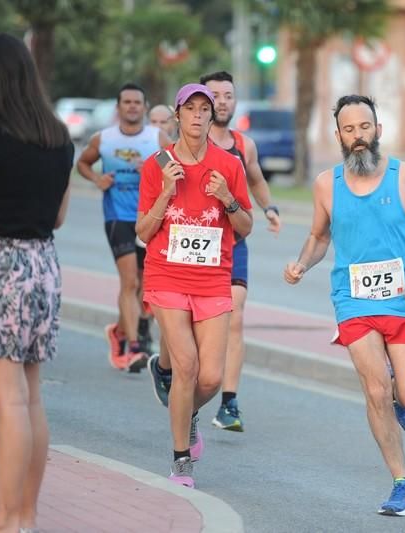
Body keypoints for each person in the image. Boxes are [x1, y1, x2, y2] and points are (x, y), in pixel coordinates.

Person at [283, 95, 405, 516]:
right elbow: (320, 237)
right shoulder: (326, 184)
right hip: (352, 300)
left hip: (403, 300)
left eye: (364, 127)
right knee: (375, 389)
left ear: (378, 130)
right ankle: (401, 483)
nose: (358, 137)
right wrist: (302, 263)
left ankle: (402, 400)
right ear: (338, 135)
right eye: (349, 130)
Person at [147, 71, 281, 434]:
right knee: (183, 348)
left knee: (232, 322)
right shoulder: (164, 158)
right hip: (174, 263)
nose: (220, 103)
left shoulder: (241, 148)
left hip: (227, 249)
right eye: (212, 98)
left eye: (225, 97)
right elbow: (145, 227)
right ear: (183, 112)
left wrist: (268, 208)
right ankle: (166, 369)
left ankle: (226, 399)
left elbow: (255, 181)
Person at [136, 83, 253, 488]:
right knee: (185, 365)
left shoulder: (230, 166)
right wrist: (167, 191)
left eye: (206, 109)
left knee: (210, 378)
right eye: (192, 109)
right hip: (167, 275)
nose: (200, 115)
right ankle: (181, 460)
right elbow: (143, 232)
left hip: (212, 280)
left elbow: (245, 228)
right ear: (178, 114)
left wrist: (227, 199)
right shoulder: (157, 165)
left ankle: (187, 415)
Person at [0, 33, 74, 533]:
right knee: (30, 393)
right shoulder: (59, 137)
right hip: (44, 264)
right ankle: (25, 514)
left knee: (7, 397)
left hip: (0, 263)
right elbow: (60, 216)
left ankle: (3, 518)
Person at [77, 83, 171, 371]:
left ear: (144, 107)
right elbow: (83, 163)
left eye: (137, 102)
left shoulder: (157, 138)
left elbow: (175, 170)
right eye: (126, 102)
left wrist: (154, 169)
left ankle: (119, 331)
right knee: (129, 282)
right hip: (117, 215)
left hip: (148, 217)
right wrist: (96, 179)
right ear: (118, 108)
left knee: (144, 286)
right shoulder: (103, 139)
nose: (132, 107)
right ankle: (133, 347)